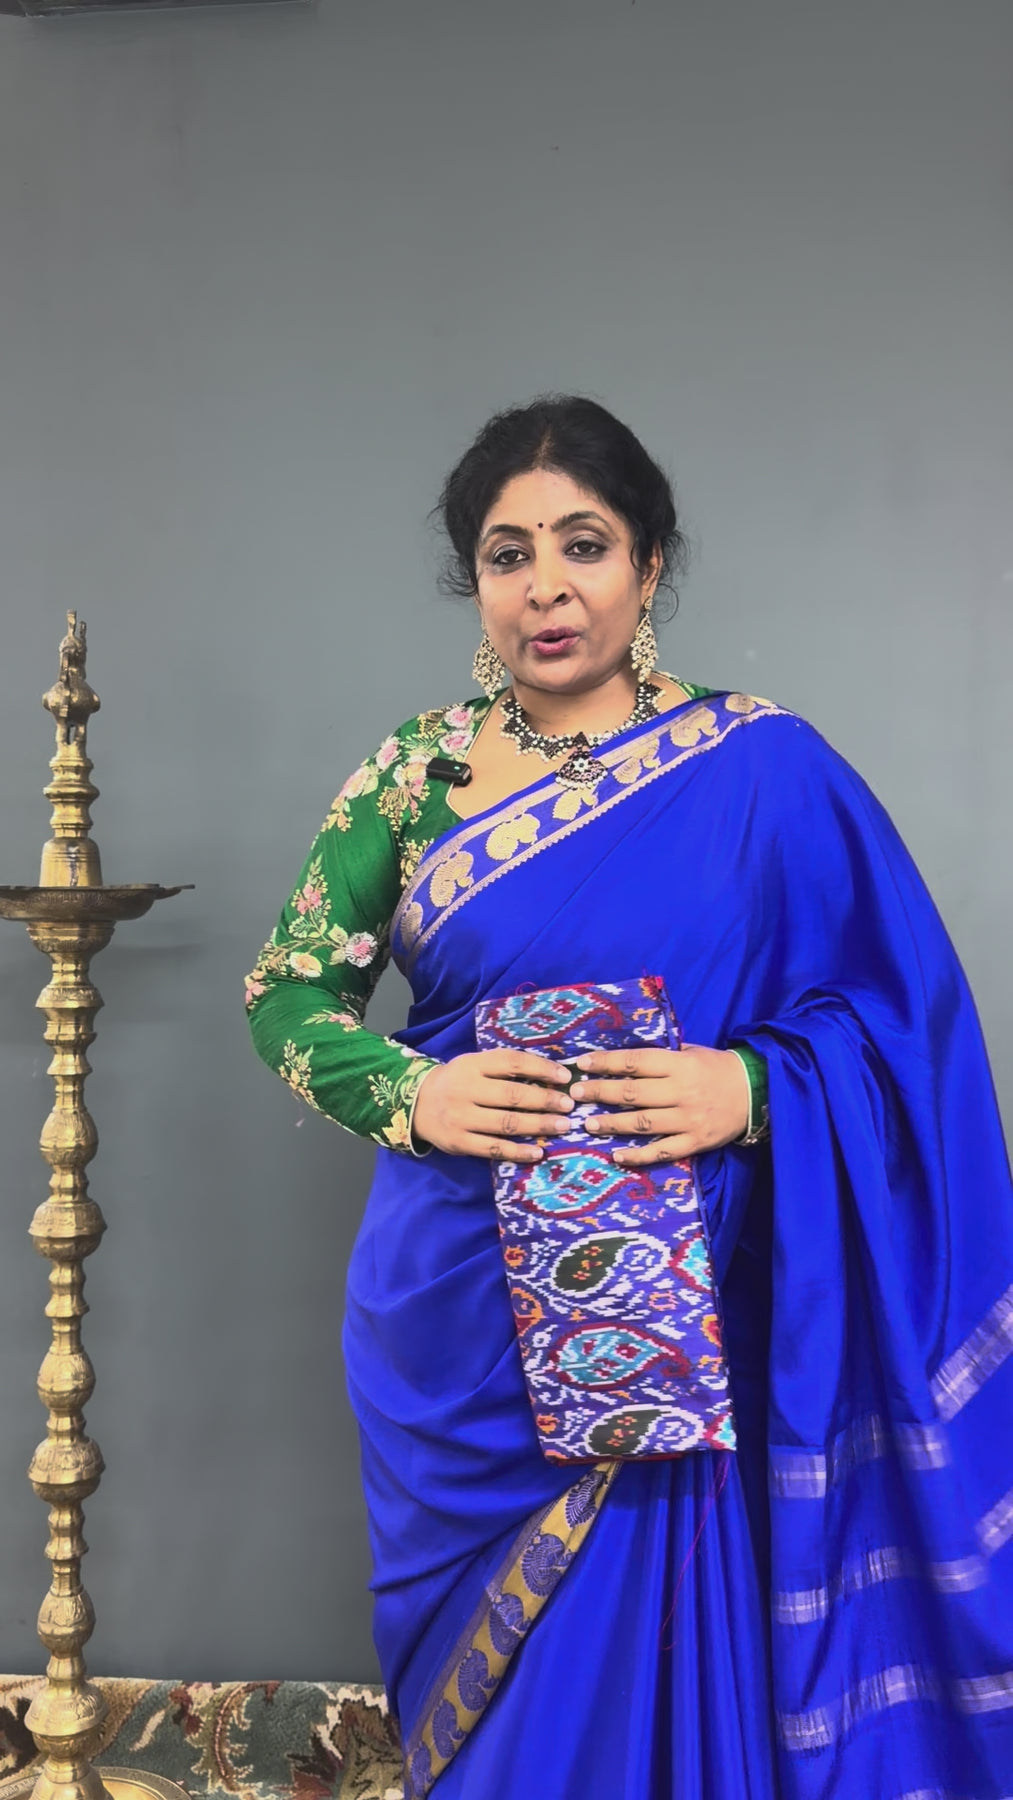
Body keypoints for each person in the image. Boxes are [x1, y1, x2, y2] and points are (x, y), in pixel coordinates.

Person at [246, 396, 1013, 1799]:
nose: (545, 587)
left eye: (582, 544)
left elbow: (905, 1023)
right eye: (507, 554)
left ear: (648, 565)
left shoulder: (763, 767)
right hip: (456, 1316)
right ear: (474, 582)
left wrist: (753, 1087)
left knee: (672, 1661)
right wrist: (415, 1094)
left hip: (686, 1306)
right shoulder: (411, 779)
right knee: (492, 1708)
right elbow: (285, 998)